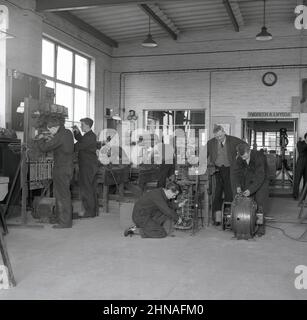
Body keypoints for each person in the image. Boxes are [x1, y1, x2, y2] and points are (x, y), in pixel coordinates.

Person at [37, 118, 74, 228]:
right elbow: (60, 143)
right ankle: (60, 218)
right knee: (61, 194)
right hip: (68, 167)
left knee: (63, 196)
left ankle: (65, 222)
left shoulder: (60, 135)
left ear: (55, 127)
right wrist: (52, 137)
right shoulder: (68, 133)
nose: (50, 132)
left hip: (61, 169)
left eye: (50, 130)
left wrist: (40, 138)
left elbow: (44, 147)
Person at [207, 125, 244, 224]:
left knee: (229, 194)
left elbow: (245, 147)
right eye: (217, 137)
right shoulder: (210, 143)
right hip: (217, 170)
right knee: (217, 194)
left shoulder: (233, 140)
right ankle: (217, 219)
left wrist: (239, 159)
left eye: (220, 136)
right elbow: (204, 155)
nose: (219, 138)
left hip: (229, 170)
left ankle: (228, 218)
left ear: (224, 132)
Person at [233, 143, 269, 235]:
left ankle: (260, 228)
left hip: (262, 180)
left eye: (245, 156)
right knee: (248, 202)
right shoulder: (240, 158)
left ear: (249, 151)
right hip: (248, 179)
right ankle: (250, 224)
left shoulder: (259, 157)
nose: (243, 158)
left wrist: (250, 190)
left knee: (260, 202)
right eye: (242, 157)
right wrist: (238, 186)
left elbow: (260, 176)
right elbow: (237, 173)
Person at [72, 118, 98, 218]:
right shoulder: (88, 135)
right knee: (89, 188)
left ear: (87, 125)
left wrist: (64, 144)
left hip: (88, 166)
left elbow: (77, 146)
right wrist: (76, 132)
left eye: (82, 125)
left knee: (87, 188)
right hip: (88, 165)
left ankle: (89, 212)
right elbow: (81, 139)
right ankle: (92, 211)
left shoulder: (90, 137)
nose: (81, 126)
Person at [293, 134, 307, 199]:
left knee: (306, 181)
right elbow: (300, 150)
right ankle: (295, 195)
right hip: (300, 163)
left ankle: (303, 196)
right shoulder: (300, 143)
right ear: (306, 137)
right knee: (297, 179)